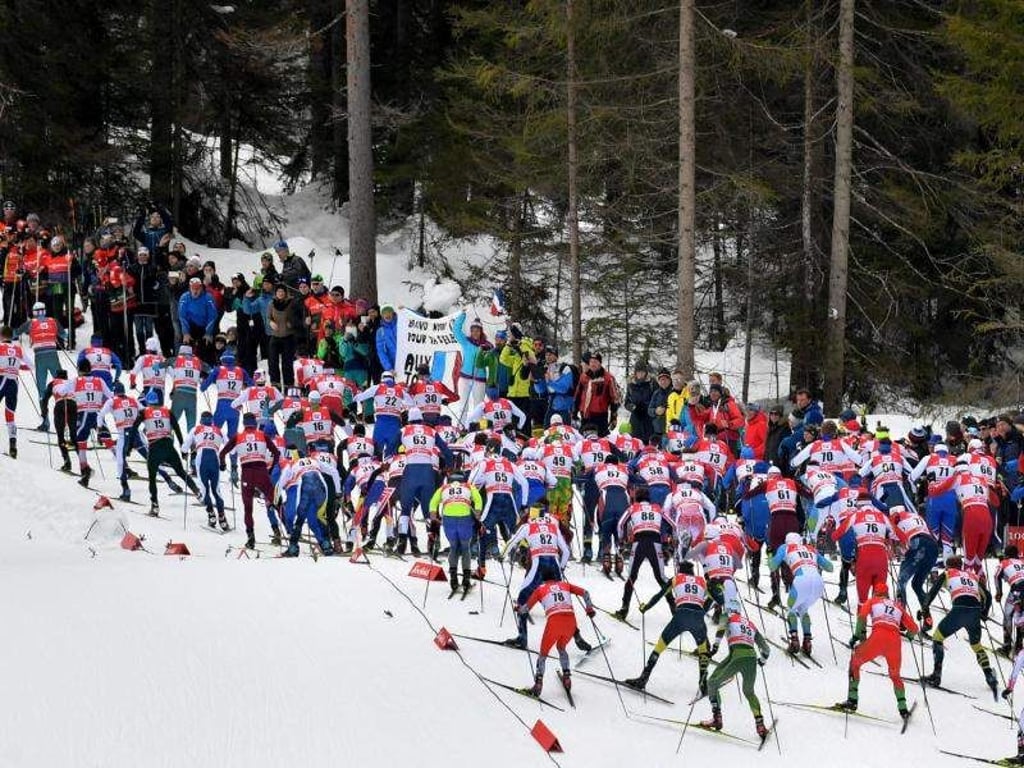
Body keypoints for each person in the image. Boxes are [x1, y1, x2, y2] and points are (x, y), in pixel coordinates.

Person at [625, 560, 711, 693]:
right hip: (698, 617)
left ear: (680, 569)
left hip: (681, 615)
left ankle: (643, 678)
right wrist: (701, 611)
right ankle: (703, 684)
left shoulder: (676, 578)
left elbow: (659, 595)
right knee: (703, 650)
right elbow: (712, 598)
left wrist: (645, 607)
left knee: (660, 646)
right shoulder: (702, 581)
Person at [837, 581, 917, 720]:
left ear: (875, 593)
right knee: (895, 675)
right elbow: (914, 629)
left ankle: (852, 700)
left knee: (855, 663)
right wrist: (909, 636)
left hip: (878, 638)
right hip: (894, 642)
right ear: (887, 594)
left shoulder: (872, 601)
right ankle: (903, 709)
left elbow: (862, 617)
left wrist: (856, 636)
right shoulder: (898, 606)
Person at [921, 555, 998, 697]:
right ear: (961, 566)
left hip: (959, 610)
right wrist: (984, 613)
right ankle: (990, 676)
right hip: (974, 612)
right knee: (976, 646)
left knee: (937, 638)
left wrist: (925, 608)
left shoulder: (947, 573)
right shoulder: (973, 576)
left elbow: (932, 593)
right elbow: (987, 596)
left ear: (948, 566)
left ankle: (936, 675)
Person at [128, 389, 202, 515]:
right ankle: (198, 493)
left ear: (148, 402)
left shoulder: (144, 412)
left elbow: (133, 429)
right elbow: (177, 429)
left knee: (152, 477)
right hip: (168, 446)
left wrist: (129, 447)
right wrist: (183, 449)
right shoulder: (167, 411)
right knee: (181, 472)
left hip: (154, 447)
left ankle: (155, 506)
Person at [700, 611, 771, 740]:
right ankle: (760, 724)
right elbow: (766, 649)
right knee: (749, 692)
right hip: (751, 657)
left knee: (712, 683)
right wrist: (762, 660)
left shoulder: (727, 616)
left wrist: (715, 646)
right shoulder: (750, 624)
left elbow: (721, 628)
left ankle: (717, 718)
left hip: (736, 655)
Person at [520, 579, 595, 698]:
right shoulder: (565, 584)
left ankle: (538, 684)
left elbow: (525, 609)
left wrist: (519, 609)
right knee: (561, 647)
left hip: (554, 623)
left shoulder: (540, 589)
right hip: (571, 623)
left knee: (543, 654)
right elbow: (585, 592)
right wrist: (589, 608)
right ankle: (567, 678)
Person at [220, 412, 282, 549]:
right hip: (261, 471)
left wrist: (223, 464)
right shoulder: (262, 435)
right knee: (275, 501)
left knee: (248, 508)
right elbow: (277, 453)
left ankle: (251, 539)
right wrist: (271, 470)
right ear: (255, 423)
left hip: (247, 473)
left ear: (244, 423)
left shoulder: (238, 437)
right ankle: (290, 531)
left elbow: (223, 452)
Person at [613, 487, 673, 620]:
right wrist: (671, 540)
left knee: (632, 577)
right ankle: (674, 608)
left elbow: (620, 524)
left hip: (639, 542)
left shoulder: (633, 508)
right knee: (661, 578)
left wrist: (621, 540)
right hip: (655, 542)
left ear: (637, 498)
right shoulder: (658, 508)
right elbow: (672, 524)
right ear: (648, 498)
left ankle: (624, 609)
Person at [770, 531, 833, 655]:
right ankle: (807, 641)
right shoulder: (810, 548)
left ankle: (794, 640)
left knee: (791, 609)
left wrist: (769, 555)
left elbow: (773, 566)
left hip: (801, 581)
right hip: (818, 583)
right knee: (803, 609)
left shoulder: (785, 547)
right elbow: (830, 567)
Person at [429, 472, 483, 596]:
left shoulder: (444, 488)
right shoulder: (468, 486)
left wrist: (433, 516)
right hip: (464, 518)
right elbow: (478, 499)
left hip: (448, 519)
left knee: (453, 547)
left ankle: (453, 579)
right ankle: (466, 580)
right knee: (465, 547)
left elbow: (433, 502)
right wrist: (478, 513)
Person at [14, 302, 66, 430]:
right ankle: (68, 422)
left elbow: (15, 333)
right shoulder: (53, 321)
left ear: (34, 312)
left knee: (42, 391)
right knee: (62, 386)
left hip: (40, 357)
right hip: (53, 356)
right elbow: (65, 335)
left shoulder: (30, 323)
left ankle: (45, 423)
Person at [181, 411, 229, 531]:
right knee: (216, 490)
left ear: (201, 420)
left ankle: (211, 514)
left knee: (204, 489)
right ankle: (222, 518)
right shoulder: (219, 430)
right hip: (214, 460)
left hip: (201, 459)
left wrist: (184, 453)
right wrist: (224, 461)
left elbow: (185, 446)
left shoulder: (196, 429)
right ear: (211, 421)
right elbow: (230, 447)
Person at [0, 325, 29, 457]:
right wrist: (18, 367)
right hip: (14, 382)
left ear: (1, 336)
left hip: (2, 379)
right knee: (10, 414)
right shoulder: (18, 349)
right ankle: (13, 446)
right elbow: (31, 365)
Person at [574, 352, 619, 437]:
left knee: (601, 439)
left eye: (595, 362)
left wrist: (613, 417)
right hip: (585, 415)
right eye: (591, 362)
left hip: (600, 416)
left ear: (600, 363)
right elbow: (578, 394)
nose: (593, 364)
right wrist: (575, 412)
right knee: (585, 439)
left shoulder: (608, 378)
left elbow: (614, 399)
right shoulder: (584, 376)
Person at [178, 277, 218, 364]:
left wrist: (208, 333)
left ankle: (207, 368)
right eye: (193, 288)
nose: (195, 291)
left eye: (198, 288)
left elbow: (212, 316)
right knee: (186, 347)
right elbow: (182, 316)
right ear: (190, 288)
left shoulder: (208, 298)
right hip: (190, 327)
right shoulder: (184, 297)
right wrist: (186, 333)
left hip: (204, 327)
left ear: (201, 288)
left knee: (206, 347)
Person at [267, 283, 298, 388]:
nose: (280, 293)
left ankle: (288, 384)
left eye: (282, 291)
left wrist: (291, 323)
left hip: (288, 336)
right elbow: (268, 317)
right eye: (278, 291)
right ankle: (275, 384)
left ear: (285, 293)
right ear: (276, 293)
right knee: (272, 361)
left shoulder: (291, 303)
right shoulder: (272, 303)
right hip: (275, 336)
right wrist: (271, 322)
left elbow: (296, 316)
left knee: (287, 363)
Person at [624, 361, 654, 445]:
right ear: (635, 373)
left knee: (648, 443)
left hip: (648, 418)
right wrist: (632, 407)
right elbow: (627, 402)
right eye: (638, 372)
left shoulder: (651, 383)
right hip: (636, 418)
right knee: (635, 443)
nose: (640, 374)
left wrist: (649, 407)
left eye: (642, 372)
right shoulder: (631, 385)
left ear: (646, 372)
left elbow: (655, 399)